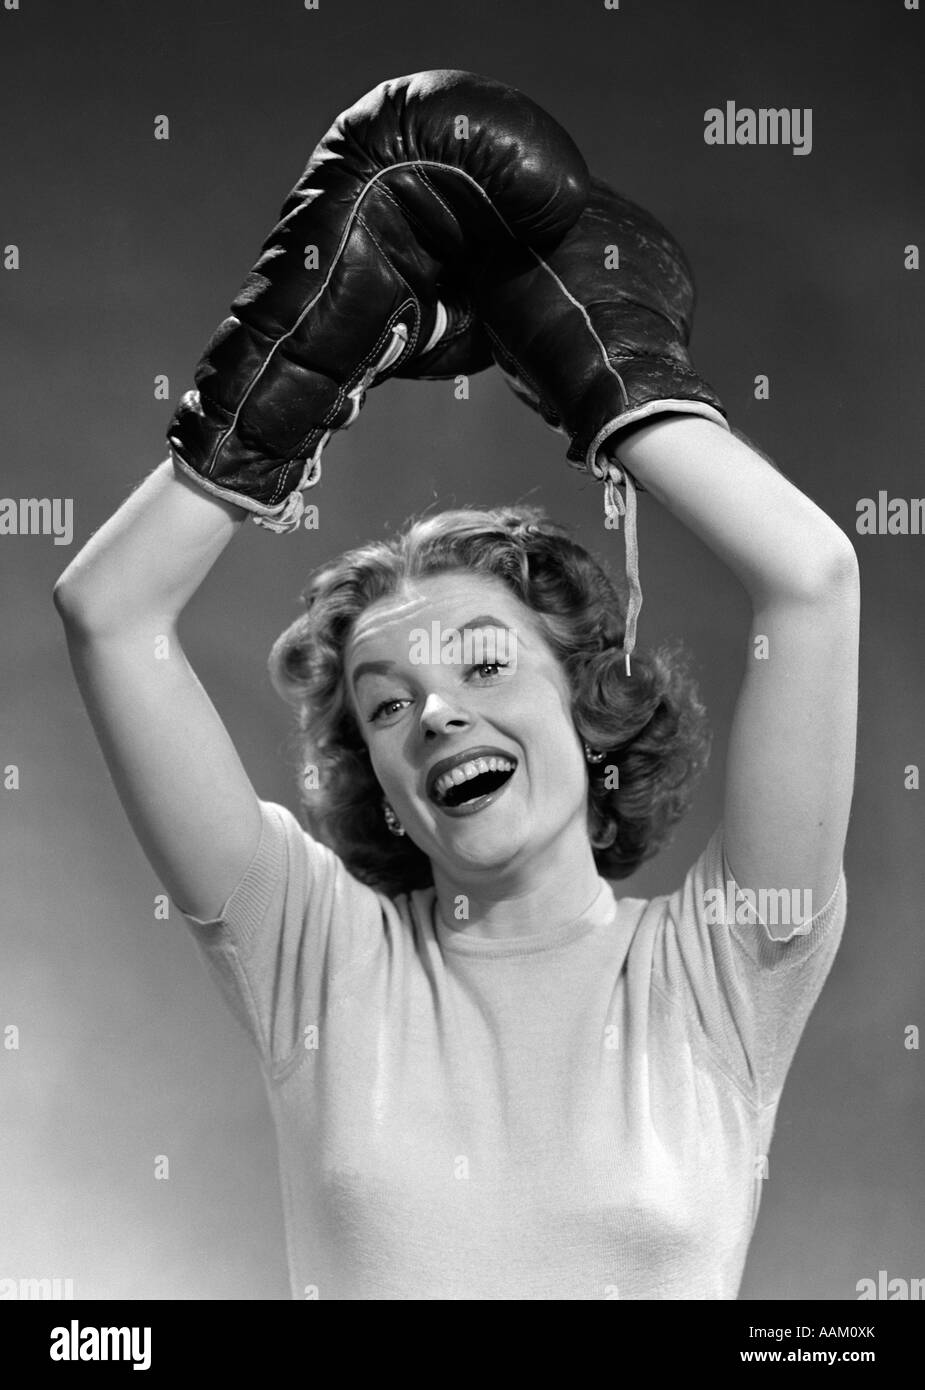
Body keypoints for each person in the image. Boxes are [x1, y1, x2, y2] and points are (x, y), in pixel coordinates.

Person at [53, 71, 859, 1300]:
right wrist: (288, 367)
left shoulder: (727, 964)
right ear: (375, 780)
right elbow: (107, 616)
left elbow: (811, 583)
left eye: (485, 663)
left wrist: (620, 386)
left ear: (588, 707)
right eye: (386, 703)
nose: (435, 712)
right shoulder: (315, 953)